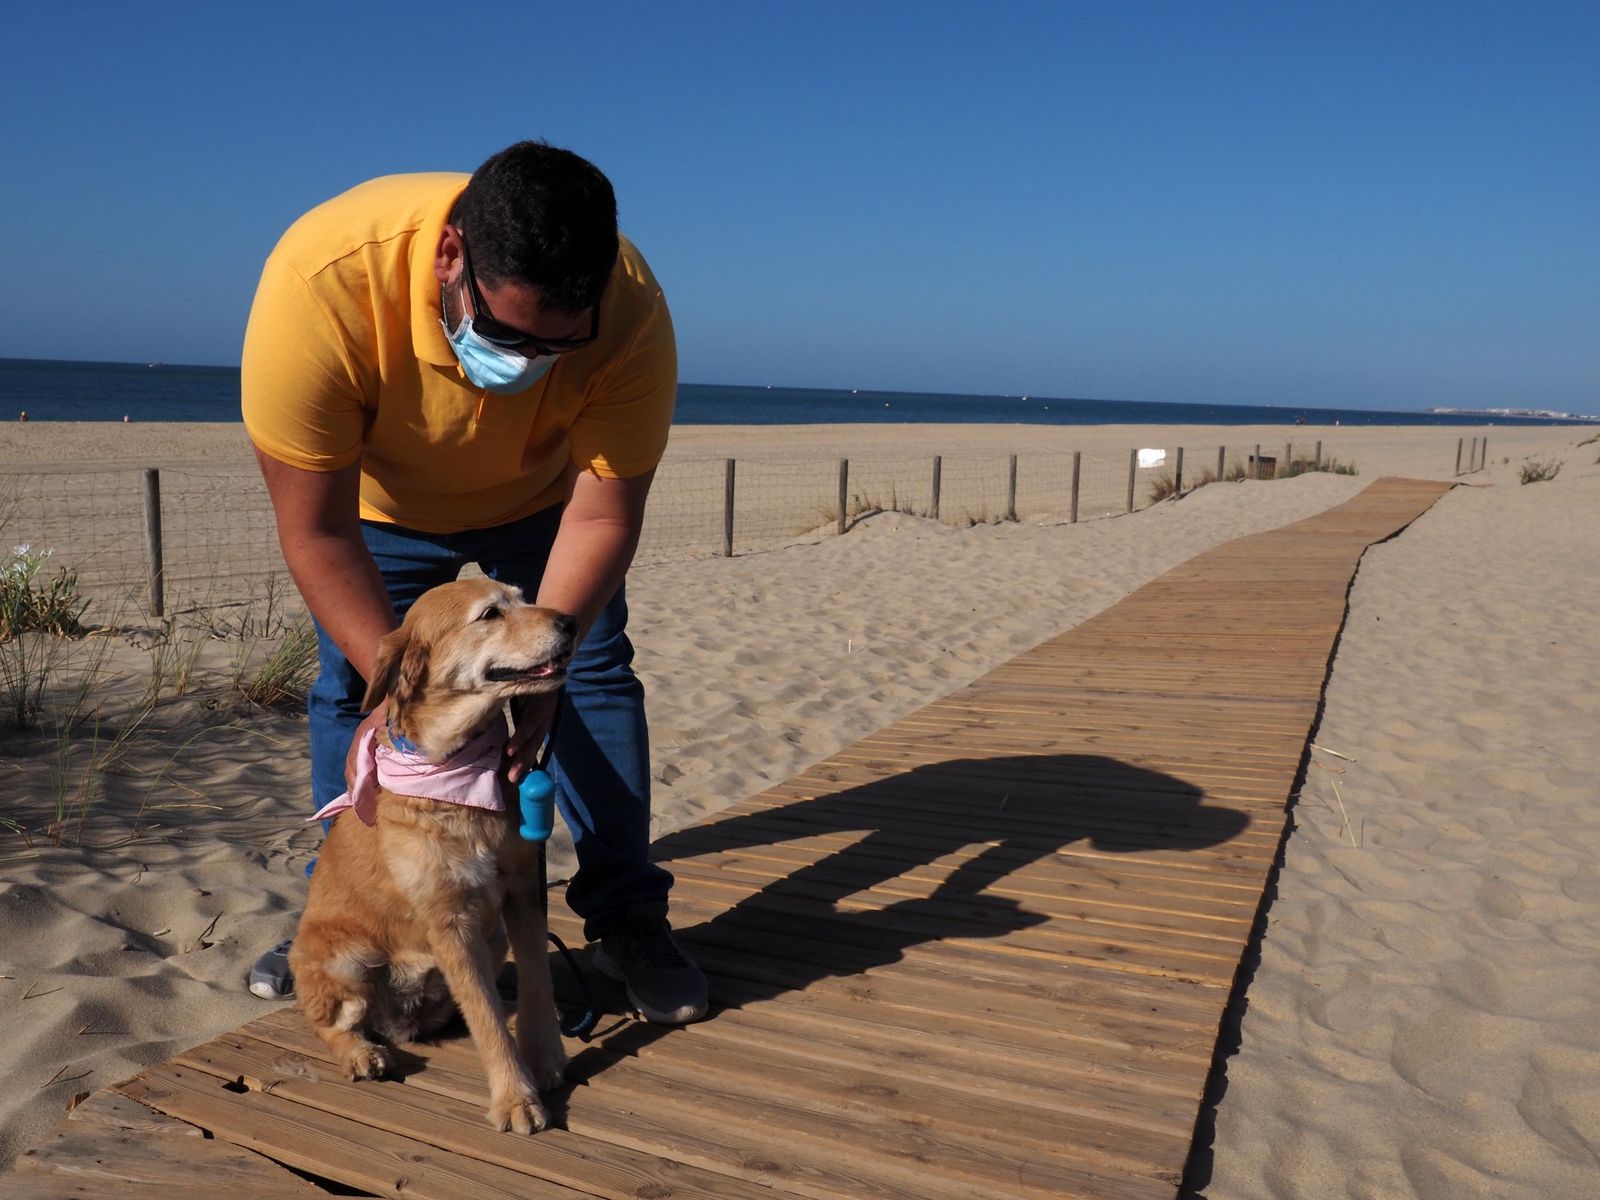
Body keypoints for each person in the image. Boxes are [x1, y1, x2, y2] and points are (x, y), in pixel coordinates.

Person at [240, 141, 707, 1025]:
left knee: (593, 672)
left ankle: (630, 918)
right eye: (507, 337)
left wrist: (541, 671)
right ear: (451, 257)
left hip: (546, 505)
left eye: (556, 348)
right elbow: (315, 527)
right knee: (357, 689)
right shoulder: (320, 282)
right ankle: (341, 912)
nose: (527, 365)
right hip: (372, 510)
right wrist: (395, 697)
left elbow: (603, 516)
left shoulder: (632, 312)